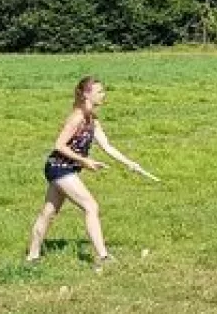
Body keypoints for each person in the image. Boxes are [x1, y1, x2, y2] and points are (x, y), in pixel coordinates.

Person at [26, 76, 152, 268]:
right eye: (99, 91)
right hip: (59, 168)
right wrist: (85, 161)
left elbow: (107, 147)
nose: (103, 94)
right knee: (91, 206)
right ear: (86, 94)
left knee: (48, 213)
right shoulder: (77, 117)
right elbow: (58, 145)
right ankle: (103, 257)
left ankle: (32, 257)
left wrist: (130, 163)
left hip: (65, 168)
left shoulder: (92, 120)